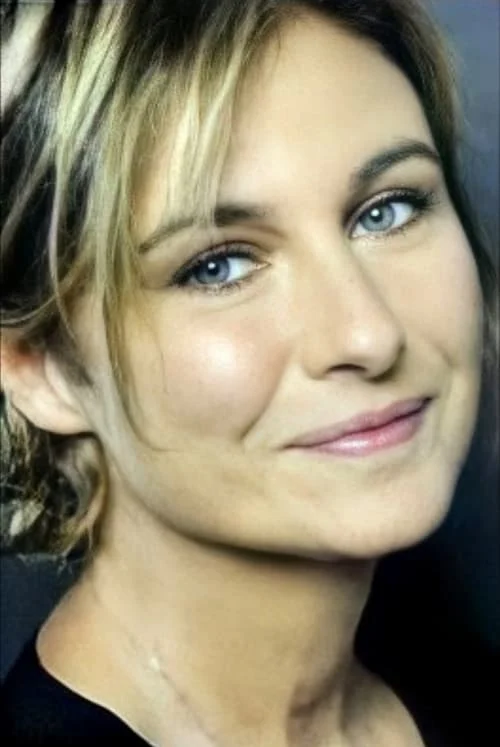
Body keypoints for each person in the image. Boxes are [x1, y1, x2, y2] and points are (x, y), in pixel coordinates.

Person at [1, 1, 498, 745]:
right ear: (42, 369)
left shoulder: (465, 688)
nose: (368, 334)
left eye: (386, 211)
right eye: (219, 265)